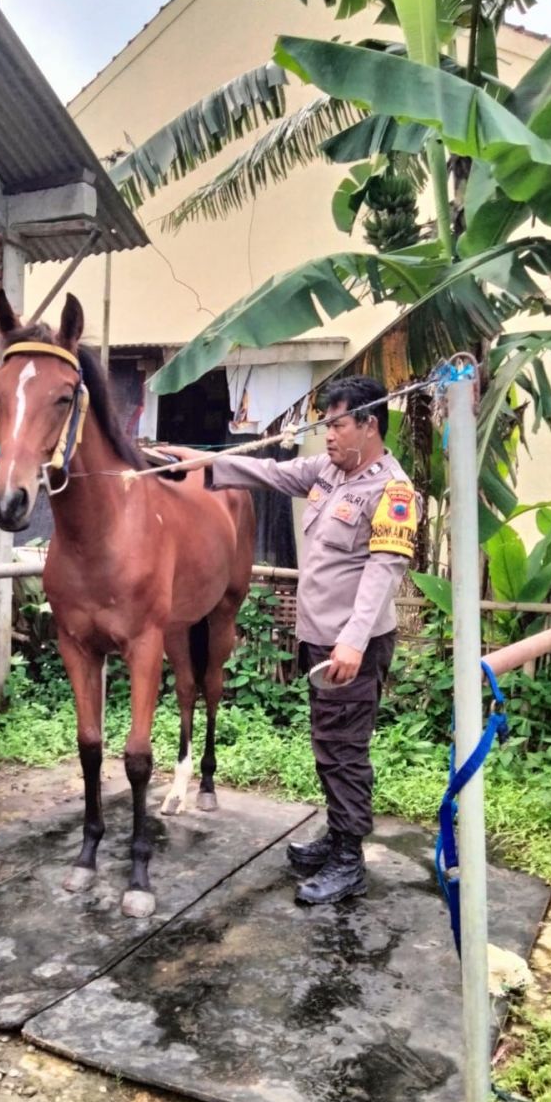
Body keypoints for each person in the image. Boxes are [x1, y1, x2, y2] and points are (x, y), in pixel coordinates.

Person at [204, 375, 418, 905]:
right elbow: (270, 472)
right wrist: (197, 461)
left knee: (344, 751)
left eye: (338, 424)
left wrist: (352, 640)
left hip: (352, 645)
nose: (328, 435)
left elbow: (383, 572)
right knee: (328, 745)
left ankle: (349, 860)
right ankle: (336, 836)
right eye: (326, 424)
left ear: (369, 425)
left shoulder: (392, 491)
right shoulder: (328, 471)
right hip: (320, 637)